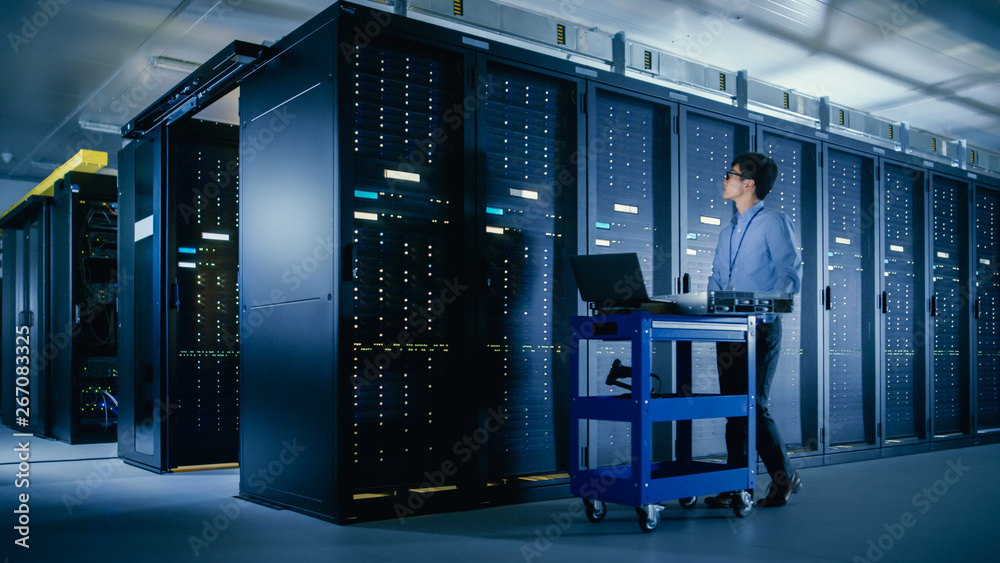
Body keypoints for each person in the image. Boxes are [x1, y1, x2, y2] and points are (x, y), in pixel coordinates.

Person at [702, 152, 802, 509]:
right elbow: (717, 279)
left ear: (749, 183)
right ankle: (735, 485)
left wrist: (766, 313)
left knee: (753, 406)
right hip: (729, 330)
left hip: (760, 328)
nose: (724, 179)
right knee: (734, 408)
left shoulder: (774, 222)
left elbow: (789, 274)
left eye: (730, 174)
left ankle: (784, 477)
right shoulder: (728, 230)